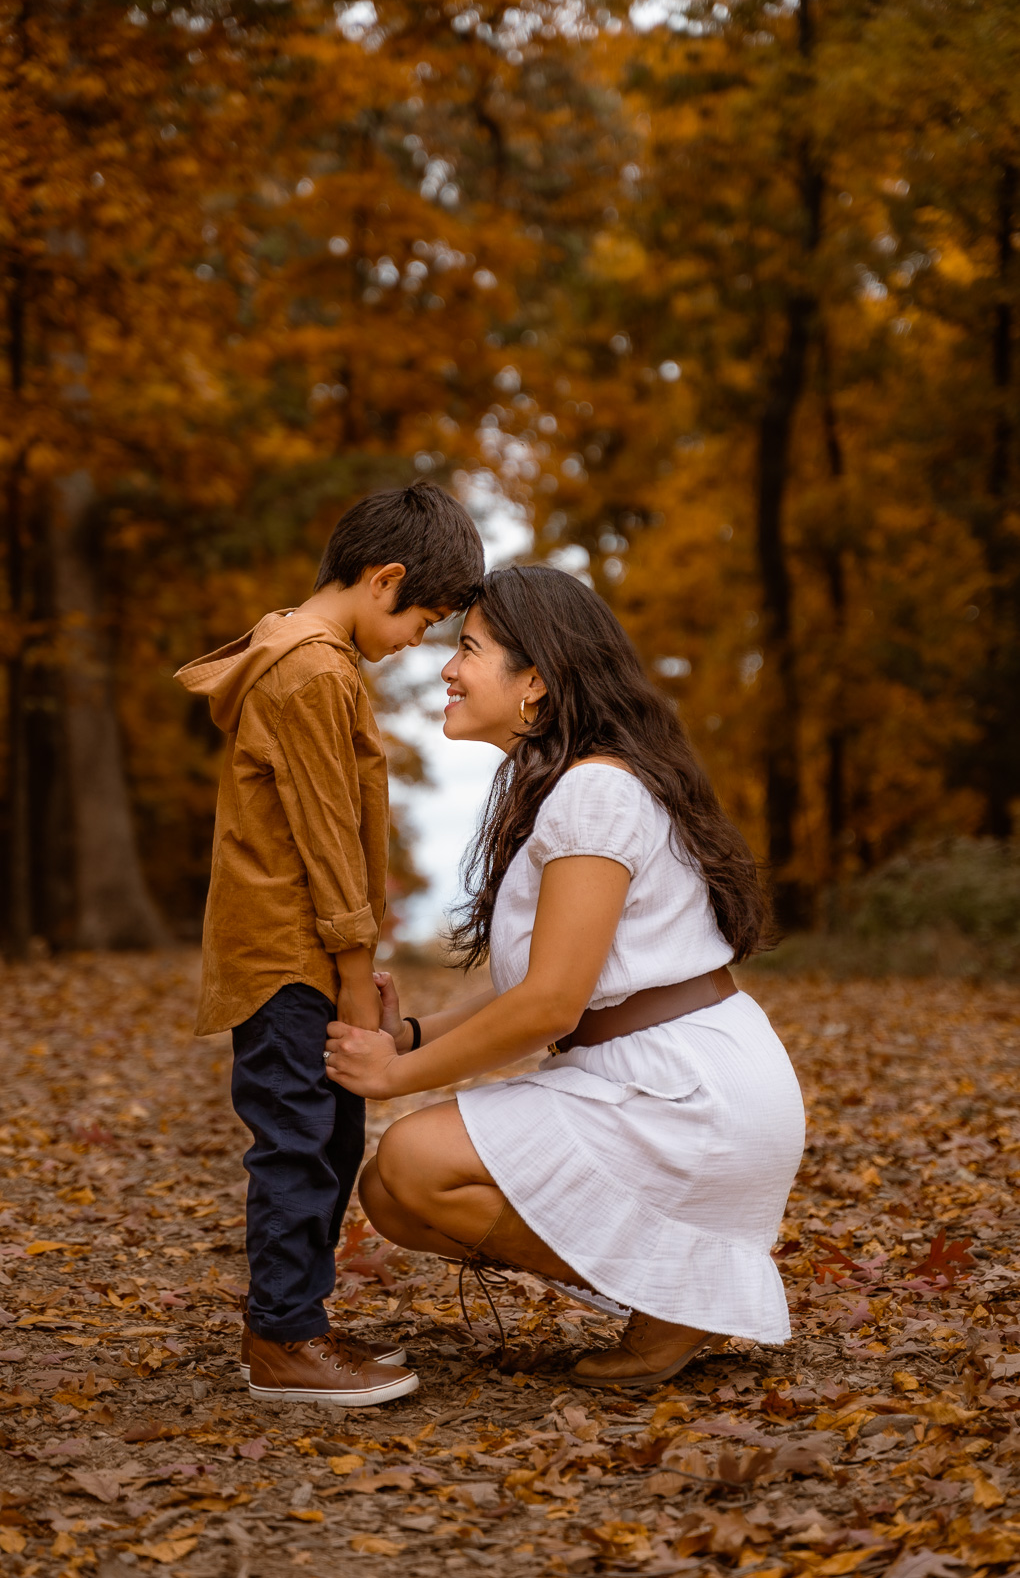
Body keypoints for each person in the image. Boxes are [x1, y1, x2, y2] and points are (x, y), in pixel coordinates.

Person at [324, 565, 807, 1388]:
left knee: (410, 1163)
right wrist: (408, 1033)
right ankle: (676, 1292)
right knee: (393, 1194)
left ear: (536, 680)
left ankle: (683, 1299)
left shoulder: (594, 790)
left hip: (684, 1095)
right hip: (652, 1077)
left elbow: (550, 1004)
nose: (446, 668)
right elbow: (540, 989)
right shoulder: (566, 784)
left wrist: (396, 1078)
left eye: (468, 649)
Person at [174, 482, 484, 1407]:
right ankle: (284, 1342)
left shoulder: (307, 659)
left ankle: (295, 1319)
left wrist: (356, 956)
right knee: (302, 1142)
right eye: (426, 617)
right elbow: (322, 832)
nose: (424, 640)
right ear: (384, 579)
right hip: (287, 957)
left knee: (325, 1134)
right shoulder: (313, 672)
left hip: (301, 946)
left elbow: (334, 833)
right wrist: (353, 975)